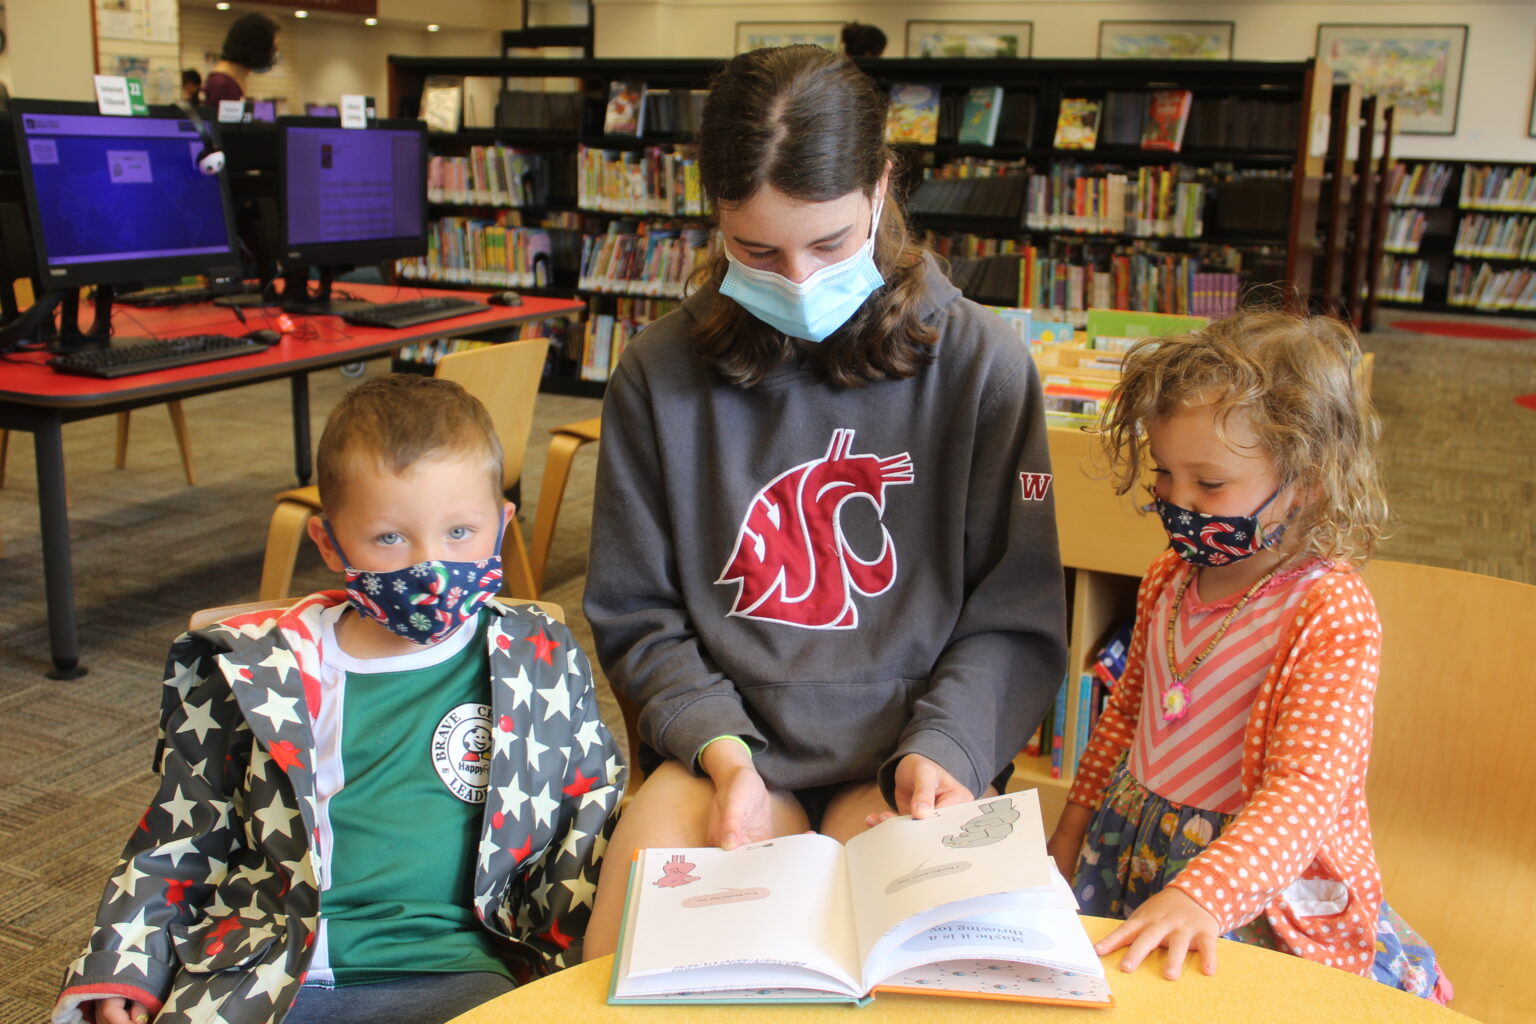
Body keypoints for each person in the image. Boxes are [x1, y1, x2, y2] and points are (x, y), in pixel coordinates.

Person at [582, 44, 1066, 959]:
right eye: (758, 250)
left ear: (882, 186)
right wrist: (722, 751)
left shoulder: (984, 367)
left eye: (830, 244)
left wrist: (946, 748)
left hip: (911, 755)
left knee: (926, 964)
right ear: (715, 214)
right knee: (628, 955)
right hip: (727, 752)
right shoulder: (657, 375)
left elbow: (1016, 614)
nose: (798, 283)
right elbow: (636, 613)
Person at [53, 375, 624, 1024]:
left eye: (461, 532)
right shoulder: (266, 672)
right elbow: (186, 827)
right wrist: (123, 961)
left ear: (501, 523)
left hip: (461, 970)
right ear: (329, 543)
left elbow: (591, 817)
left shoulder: (539, 660)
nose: (430, 565)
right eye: (389, 539)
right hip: (275, 971)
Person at [1046, 310, 1449, 1002]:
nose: (1177, 501)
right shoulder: (1167, 580)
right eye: (1166, 474)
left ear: (1308, 479)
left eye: (1209, 485)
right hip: (1132, 846)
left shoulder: (1328, 611)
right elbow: (1125, 719)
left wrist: (1205, 895)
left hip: (1255, 881)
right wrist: (1072, 826)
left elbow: (1306, 791)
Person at [203, 11, 280, 105]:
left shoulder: (230, 80)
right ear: (256, 46)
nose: (273, 54)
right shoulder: (224, 85)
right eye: (272, 48)